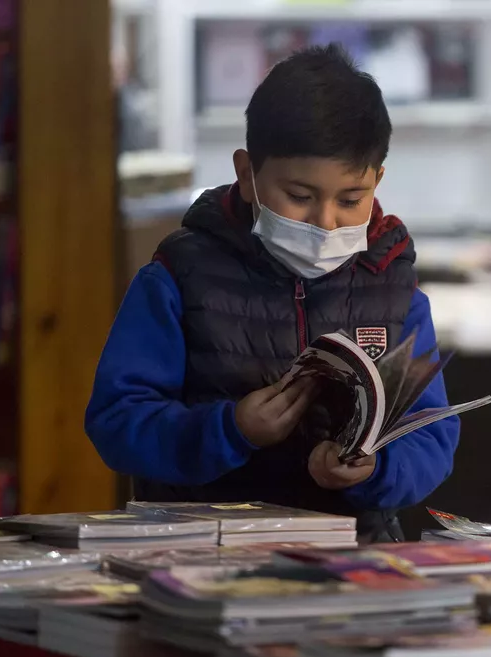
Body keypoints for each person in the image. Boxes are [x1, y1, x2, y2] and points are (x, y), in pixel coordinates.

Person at [85, 45, 459, 542]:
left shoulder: (392, 284)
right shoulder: (180, 275)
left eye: (351, 199)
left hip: (352, 552)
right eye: (299, 197)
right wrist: (228, 429)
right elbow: (117, 419)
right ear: (247, 175)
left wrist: (374, 470)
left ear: (378, 181)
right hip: (201, 549)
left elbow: (430, 435)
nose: (325, 222)